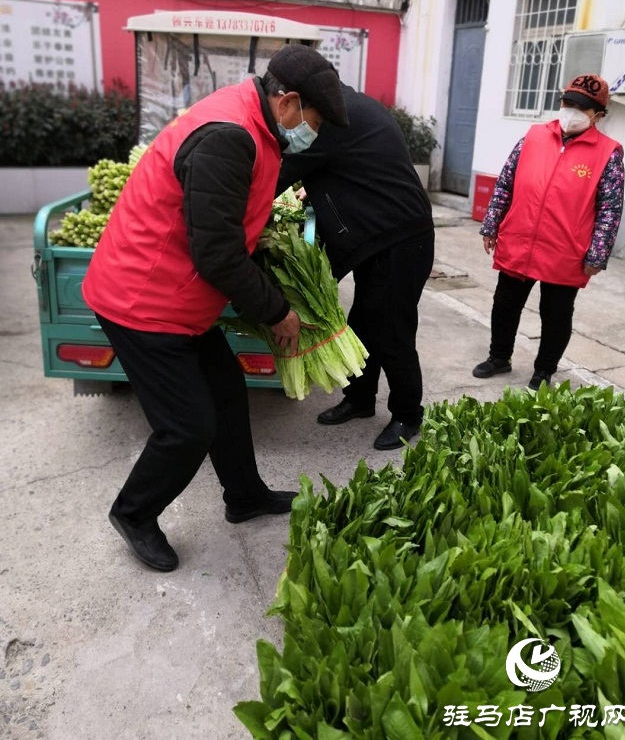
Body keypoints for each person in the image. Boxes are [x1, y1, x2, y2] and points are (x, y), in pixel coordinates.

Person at [82, 43, 349, 572]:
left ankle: (244, 496)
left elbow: (226, 231)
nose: (311, 133)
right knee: (188, 425)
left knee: (226, 390)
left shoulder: (252, 120)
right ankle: (133, 513)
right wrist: (277, 311)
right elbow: (217, 253)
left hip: (177, 299)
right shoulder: (230, 136)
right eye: (313, 121)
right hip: (142, 299)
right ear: (289, 102)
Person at [278, 82, 435, 451]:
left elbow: (279, 173)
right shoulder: (348, 107)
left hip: (400, 239)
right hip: (379, 236)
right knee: (364, 322)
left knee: (393, 332)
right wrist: (314, 188)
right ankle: (361, 399)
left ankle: (408, 414)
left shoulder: (332, 121)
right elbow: (348, 168)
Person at [472, 73, 625, 390]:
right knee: (505, 304)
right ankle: (499, 357)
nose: (571, 111)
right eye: (567, 103)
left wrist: (597, 253)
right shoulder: (533, 136)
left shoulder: (607, 153)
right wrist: (492, 223)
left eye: (580, 108)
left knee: (555, 314)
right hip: (519, 237)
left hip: (565, 249)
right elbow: (506, 181)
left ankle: (544, 370)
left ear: (597, 115)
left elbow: (610, 207)